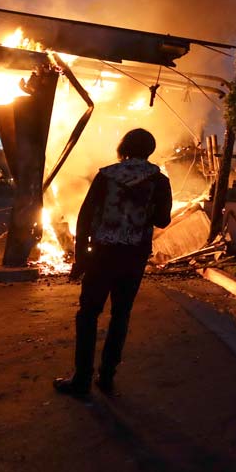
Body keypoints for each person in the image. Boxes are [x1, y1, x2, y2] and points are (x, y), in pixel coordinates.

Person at [54, 128, 172, 397]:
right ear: (150, 150)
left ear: (124, 147)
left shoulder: (106, 176)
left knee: (88, 314)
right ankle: (107, 376)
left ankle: (81, 378)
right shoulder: (159, 180)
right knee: (121, 314)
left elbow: (84, 219)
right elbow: (163, 220)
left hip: (102, 254)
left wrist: (80, 257)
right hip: (133, 257)